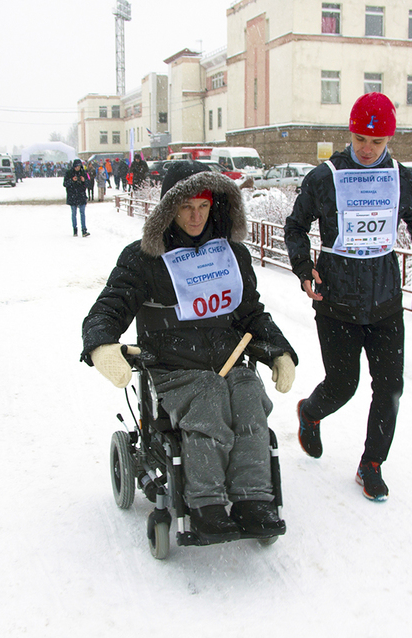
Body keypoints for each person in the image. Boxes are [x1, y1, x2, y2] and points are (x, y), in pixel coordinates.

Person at [81, 161, 297, 542]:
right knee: (209, 397)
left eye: (203, 206)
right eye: (185, 207)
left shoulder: (232, 255)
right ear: (169, 209)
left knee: (249, 397)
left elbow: (251, 313)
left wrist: (279, 351)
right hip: (173, 365)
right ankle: (206, 503)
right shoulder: (144, 258)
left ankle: (253, 499)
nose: (196, 216)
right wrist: (101, 344)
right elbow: (109, 307)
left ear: (215, 205)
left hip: (230, 361)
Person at [283, 92, 412, 502]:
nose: (366, 149)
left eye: (376, 143)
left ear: (389, 140)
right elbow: (294, 226)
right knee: (344, 385)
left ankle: (371, 464)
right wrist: (304, 269)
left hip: (384, 302)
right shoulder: (325, 177)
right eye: (360, 138)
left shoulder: (401, 178)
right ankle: (311, 412)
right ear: (351, 132)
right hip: (336, 301)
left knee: (390, 388)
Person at [64, 158, 89, 237]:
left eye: (78, 166)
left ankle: (84, 230)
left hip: (81, 195)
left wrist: (84, 180)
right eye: (76, 167)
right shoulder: (69, 173)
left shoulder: (83, 173)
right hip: (73, 195)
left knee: (82, 213)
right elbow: (65, 184)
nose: (77, 168)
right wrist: (72, 180)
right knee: (74, 213)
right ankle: (75, 229)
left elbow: (89, 184)